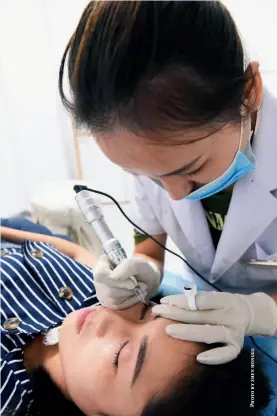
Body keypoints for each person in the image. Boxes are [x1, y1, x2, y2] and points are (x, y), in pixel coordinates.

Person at [59, 0, 277, 361]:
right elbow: (149, 244)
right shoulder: (151, 153)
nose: (174, 195)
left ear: (248, 92)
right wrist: (145, 268)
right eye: (145, 177)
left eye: (191, 169)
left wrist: (259, 312)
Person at [0, 225, 274, 415]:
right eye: (144, 312)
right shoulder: (105, 294)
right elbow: (72, 252)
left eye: (121, 355)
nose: (109, 315)